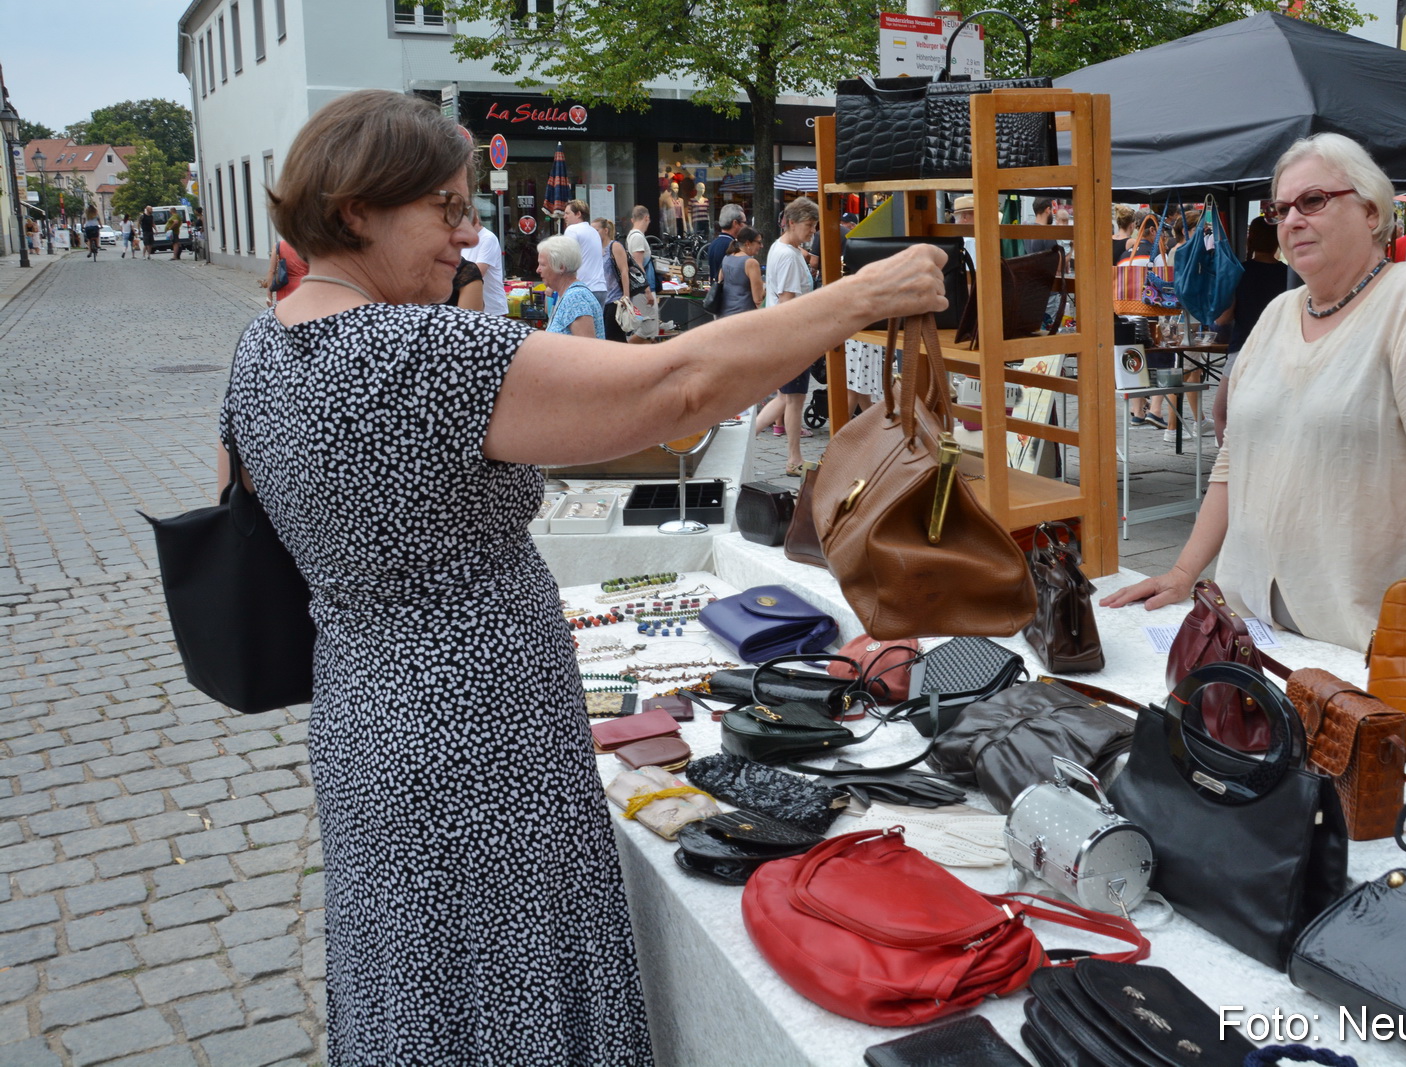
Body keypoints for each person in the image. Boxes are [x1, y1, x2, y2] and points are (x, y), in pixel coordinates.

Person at [222, 89, 945, 1062]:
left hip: (364, 718)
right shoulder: (419, 354)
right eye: (445, 208)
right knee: (514, 971)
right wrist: (860, 297)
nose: (467, 233)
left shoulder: (260, 346)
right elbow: (675, 386)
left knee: (416, 966)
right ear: (356, 209)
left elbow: (246, 505)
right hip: (476, 735)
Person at [1102, 132, 1406, 652]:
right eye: (1280, 209)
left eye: (1314, 201)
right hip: (1258, 629)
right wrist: (1184, 571)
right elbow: (1237, 460)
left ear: (1371, 211)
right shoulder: (1279, 312)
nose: (1292, 220)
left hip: (1375, 636)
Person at [754, 196, 822, 475]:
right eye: (810, 225)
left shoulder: (780, 248)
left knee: (789, 398)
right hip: (792, 336)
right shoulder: (789, 256)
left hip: (784, 336)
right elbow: (788, 302)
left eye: (815, 226)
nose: (813, 232)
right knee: (792, 398)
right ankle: (793, 459)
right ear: (791, 223)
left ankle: (792, 457)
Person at [1211, 216, 1287, 444]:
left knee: (1222, 413)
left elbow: (1223, 318)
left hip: (1243, 350)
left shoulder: (1240, 273)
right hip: (1280, 353)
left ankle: (1229, 469)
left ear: (1250, 239)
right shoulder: (1290, 274)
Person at [539, 235, 603, 339]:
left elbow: (587, 349)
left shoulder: (575, 298)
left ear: (560, 267)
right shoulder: (567, 294)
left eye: (542, 265)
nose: (538, 270)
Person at [620, 206, 658, 343]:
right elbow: (638, 265)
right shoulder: (637, 238)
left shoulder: (633, 236)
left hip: (642, 288)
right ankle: (624, 352)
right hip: (643, 289)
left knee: (649, 329)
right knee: (648, 328)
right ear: (646, 218)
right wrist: (647, 290)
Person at [714, 225, 764, 317]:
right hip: (743, 316)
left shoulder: (727, 257)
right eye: (759, 242)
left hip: (724, 314)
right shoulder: (751, 263)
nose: (761, 246)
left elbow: (720, 280)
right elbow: (758, 299)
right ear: (748, 243)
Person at [561, 198, 607, 297]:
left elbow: (567, 259)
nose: (564, 217)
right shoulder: (593, 231)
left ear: (578, 214)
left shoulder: (572, 230)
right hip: (600, 289)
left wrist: (553, 285)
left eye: (567, 213)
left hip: (582, 289)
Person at [461, 222, 507, 316]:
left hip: (491, 309)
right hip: (471, 309)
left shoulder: (488, 238)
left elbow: (477, 273)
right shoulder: (462, 240)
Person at [706, 204, 745, 285]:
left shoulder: (714, 243)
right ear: (735, 223)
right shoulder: (732, 246)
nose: (746, 226)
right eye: (744, 222)